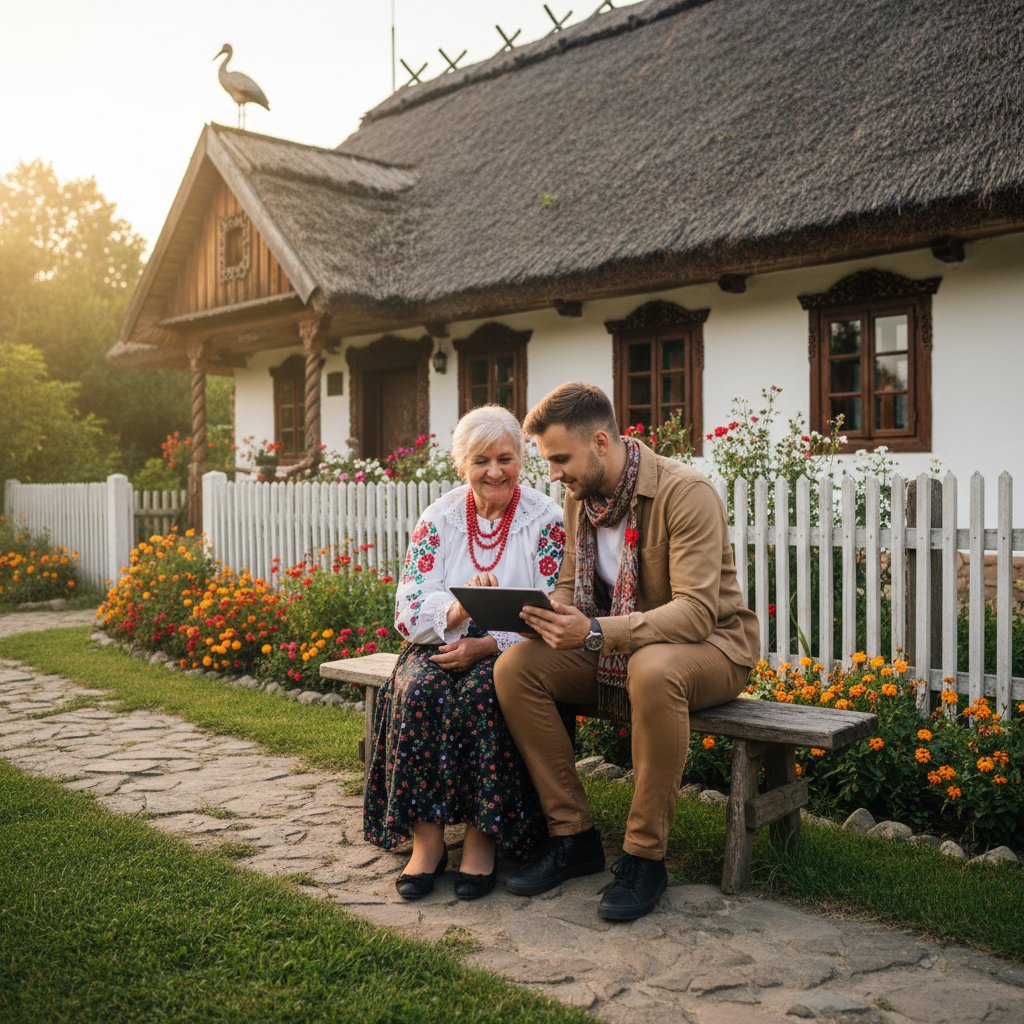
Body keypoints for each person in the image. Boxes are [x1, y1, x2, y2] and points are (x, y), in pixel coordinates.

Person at [493, 382, 759, 921]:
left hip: (713, 647)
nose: (554, 474)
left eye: (561, 459)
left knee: (652, 670)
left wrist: (593, 630)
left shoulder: (686, 493)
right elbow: (569, 584)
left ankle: (644, 856)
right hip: (620, 647)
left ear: (600, 442)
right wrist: (549, 615)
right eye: (549, 462)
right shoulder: (580, 499)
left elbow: (696, 613)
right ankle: (573, 837)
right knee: (516, 667)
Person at [363, 405, 565, 901]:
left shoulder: (547, 521)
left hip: (514, 648)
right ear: (462, 465)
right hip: (441, 639)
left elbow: (556, 605)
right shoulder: (440, 517)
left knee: (484, 695)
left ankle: (481, 838)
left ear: (521, 460)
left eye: (505, 458)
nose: (494, 471)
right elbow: (408, 607)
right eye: (481, 460)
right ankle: (426, 842)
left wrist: (490, 643)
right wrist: (455, 612)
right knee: (420, 690)